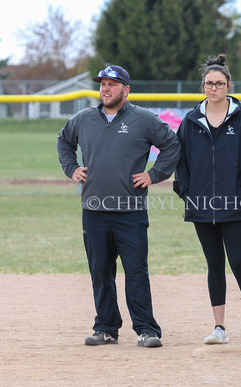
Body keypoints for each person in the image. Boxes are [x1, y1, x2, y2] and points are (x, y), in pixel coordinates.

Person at [56, 65, 180, 348]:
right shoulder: (83, 118)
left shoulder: (144, 119)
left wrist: (154, 174)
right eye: (102, 84)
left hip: (130, 211)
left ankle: (147, 329)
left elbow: (172, 146)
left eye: (112, 84)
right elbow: (63, 141)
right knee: (100, 271)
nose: (105, 89)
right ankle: (106, 327)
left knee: (136, 271)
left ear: (126, 89)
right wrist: (71, 167)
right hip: (94, 209)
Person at [172, 54, 241, 345]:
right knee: (214, 264)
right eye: (208, 83)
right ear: (203, 86)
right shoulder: (191, 120)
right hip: (201, 207)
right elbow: (182, 161)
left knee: (239, 262)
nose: (213, 88)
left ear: (229, 85)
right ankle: (219, 328)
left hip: (235, 206)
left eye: (219, 83)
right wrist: (187, 193)